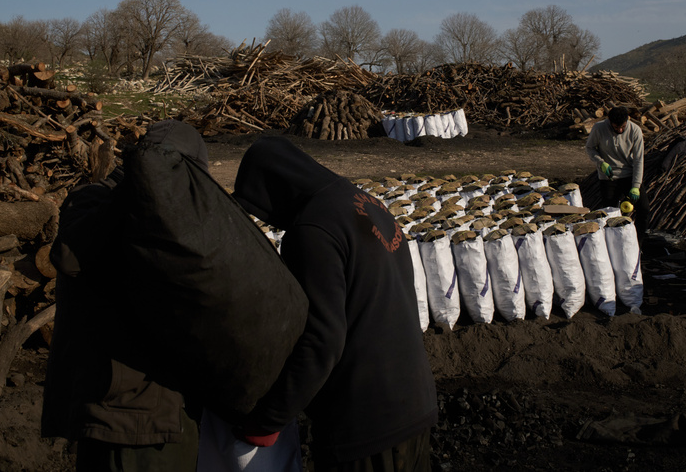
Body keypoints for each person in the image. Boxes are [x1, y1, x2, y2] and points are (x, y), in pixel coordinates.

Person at [232, 135, 438, 472]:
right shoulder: (368, 203)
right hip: (414, 403)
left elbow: (322, 340)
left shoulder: (312, 228)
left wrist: (270, 420)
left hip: (366, 422)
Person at [41, 120, 205, 471]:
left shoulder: (171, 210)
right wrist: (140, 186)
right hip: (123, 414)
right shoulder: (97, 200)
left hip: (165, 410)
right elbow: (70, 257)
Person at [585, 106, 650, 238]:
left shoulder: (635, 130)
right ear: (610, 122)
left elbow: (638, 160)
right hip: (608, 177)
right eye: (616, 127)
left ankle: (638, 243)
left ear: (627, 121)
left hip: (628, 175)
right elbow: (590, 148)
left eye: (623, 126)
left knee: (644, 209)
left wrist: (636, 186)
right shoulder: (599, 128)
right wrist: (600, 162)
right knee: (610, 213)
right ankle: (614, 243)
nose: (620, 130)